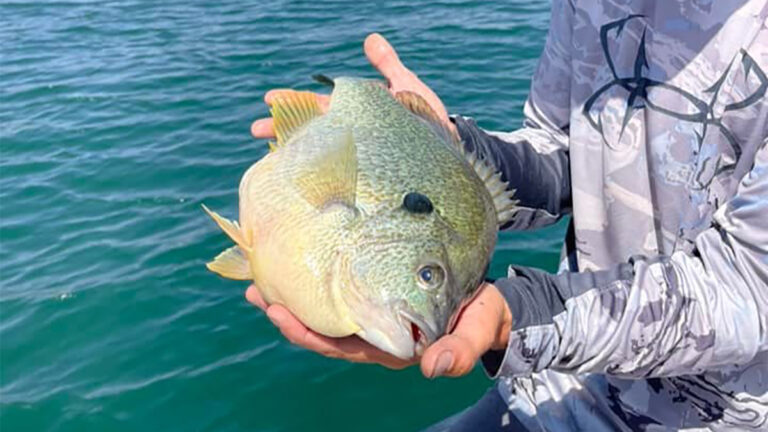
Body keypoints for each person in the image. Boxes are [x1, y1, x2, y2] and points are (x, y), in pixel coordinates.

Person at [248, 0, 768, 429]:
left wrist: (518, 314)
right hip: (561, 388)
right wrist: (447, 152)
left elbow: (744, 290)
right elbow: (567, 152)